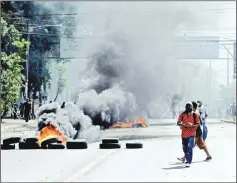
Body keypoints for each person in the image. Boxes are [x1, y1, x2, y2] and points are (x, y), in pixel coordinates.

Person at [177, 102, 200, 167]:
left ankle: (188, 161)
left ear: (192, 107)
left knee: (190, 146)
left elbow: (198, 124)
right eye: (187, 106)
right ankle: (186, 158)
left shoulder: (195, 115)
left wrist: (193, 126)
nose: (189, 108)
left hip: (192, 133)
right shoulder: (182, 115)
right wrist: (185, 125)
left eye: (190, 106)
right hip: (184, 134)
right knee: (185, 148)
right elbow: (178, 123)